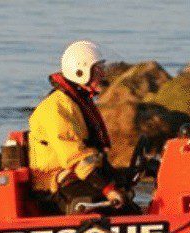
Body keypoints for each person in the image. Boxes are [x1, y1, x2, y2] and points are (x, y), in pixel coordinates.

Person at [27, 40, 130, 215]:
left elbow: (90, 156)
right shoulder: (57, 108)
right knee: (119, 209)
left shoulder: (77, 103)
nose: (103, 74)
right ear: (81, 72)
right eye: (97, 70)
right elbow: (75, 158)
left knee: (128, 204)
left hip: (75, 178)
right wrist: (108, 189)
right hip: (54, 186)